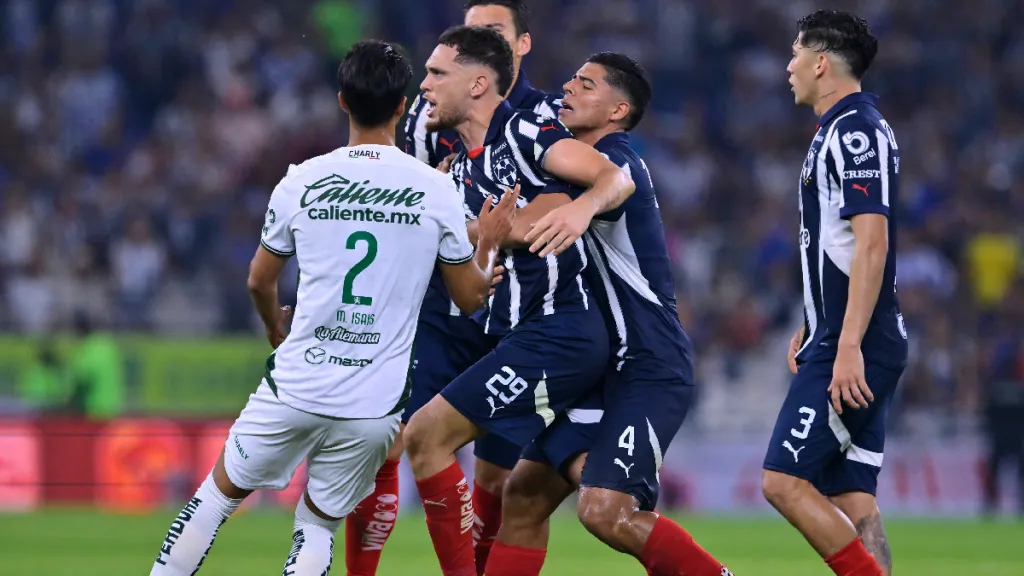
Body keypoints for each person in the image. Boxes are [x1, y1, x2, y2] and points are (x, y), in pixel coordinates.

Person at [147, 40, 516, 576]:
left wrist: (275, 325)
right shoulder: (435, 189)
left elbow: (258, 279)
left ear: (342, 100)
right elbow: (468, 296)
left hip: (298, 383)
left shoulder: (302, 179)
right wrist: (489, 244)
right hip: (373, 404)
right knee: (317, 523)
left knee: (217, 497)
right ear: (403, 106)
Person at [481, 52, 735, 576]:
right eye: (571, 78)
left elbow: (558, 208)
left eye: (587, 84)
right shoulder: (575, 167)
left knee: (604, 513)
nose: (568, 88)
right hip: (602, 371)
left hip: (648, 364)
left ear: (619, 110)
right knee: (524, 494)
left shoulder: (616, 164)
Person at [403, 26, 635, 576]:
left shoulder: (526, 127)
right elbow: (481, 280)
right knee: (537, 492)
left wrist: (580, 212)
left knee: (425, 436)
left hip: (561, 331)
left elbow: (614, 178)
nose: (425, 85)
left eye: (437, 73)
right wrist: (479, 238)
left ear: (479, 82)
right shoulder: (458, 168)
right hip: (522, 336)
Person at [346, 3, 562, 574]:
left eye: (491, 33)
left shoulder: (548, 118)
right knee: (386, 441)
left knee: (494, 476)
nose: (475, 40)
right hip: (445, 310)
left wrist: (479, 228)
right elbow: (393, 195)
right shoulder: (427, 115)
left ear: (520, 45)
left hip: (521, 315)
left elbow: (567, 206)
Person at [761, 10, 906, 576]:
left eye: (795, 54)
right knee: (855, 503)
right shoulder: (842, 130)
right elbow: (840, 245)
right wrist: (813, 319)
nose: (788, 66)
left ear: (822, 62)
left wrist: (845, 345)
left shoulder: (855, 131)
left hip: (856, 345)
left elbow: (872, 244)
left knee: (783, 481)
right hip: (846, 333)